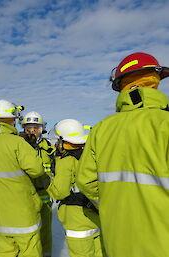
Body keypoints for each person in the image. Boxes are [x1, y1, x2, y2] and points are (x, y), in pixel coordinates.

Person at [76, 52, 169, 257]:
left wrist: (112, 204)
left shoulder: (101, 129)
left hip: (117, 241)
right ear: (155, 80)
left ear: (121, 86)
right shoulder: (165, 124)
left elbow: (85, 180)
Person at [0, 99, 45, 257]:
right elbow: (37, 170)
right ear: (12, 120)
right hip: (22, 213)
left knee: (4, 251)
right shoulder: (17, 143)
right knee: (29, 250)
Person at [47, 119, 104, 257]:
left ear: (63, 141)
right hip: (95, 215)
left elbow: (60, 192)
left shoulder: (66, 161)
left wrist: (47, 181)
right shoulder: (91, 156)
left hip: (76, 219)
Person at [20, 111, 55, 257]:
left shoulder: (47, 146)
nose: (33, 132)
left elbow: (54, 167)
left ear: (42, 129)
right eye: (29, 128)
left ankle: (45, 253)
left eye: (36, 128)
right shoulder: (20, 146)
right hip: (25, 195)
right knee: (27, 230)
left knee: (45, 229)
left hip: (44, 194)